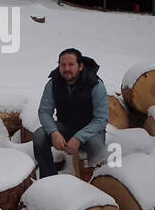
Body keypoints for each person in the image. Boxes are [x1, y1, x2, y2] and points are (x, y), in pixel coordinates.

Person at [32, 47, 110, 179]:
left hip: (91, 130)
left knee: (96, 146)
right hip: (65, 126)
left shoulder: (95, 85)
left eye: (71, 64)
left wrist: (79, 138)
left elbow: (101, 119)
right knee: (39, 136)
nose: (66, 68)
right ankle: (49, 179)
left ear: (80, 66)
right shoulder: (53, 83)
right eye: (63, 65)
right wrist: (54, 132)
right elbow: (44, 111)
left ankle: (96, 181)